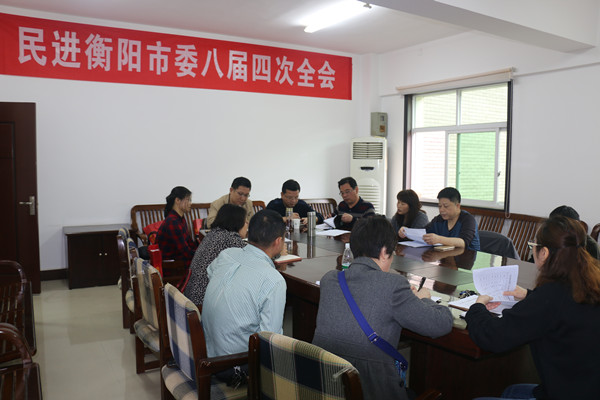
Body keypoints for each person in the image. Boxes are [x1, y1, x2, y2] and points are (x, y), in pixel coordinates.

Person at [312, 216, 453, 400]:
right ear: (385, 252)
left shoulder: (330, 279)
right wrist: (424, 299)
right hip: (373, 390)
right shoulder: (393, 284)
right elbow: (440, 324)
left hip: (326, 386)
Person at [466, 216, 600, 400]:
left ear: (544, 253)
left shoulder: (551, 294)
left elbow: (493, 337)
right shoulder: (589, 283)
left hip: (568, 392)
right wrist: (529, 296)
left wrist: (477, 307)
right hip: (585, 385)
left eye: (533, 246)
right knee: (512, 391)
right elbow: (565, 310)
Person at [202, 209, 287, 362]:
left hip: (207, 347)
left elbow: (210, 274)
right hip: (234, 363)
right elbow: (270, 341)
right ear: (278, 241)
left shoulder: (227, 254)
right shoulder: (274, 280)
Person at [183, 204, 248, 305]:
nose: (247, 224)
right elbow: (252, 257)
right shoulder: (230, 238)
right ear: (238, 222)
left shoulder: (214, 233)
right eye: (245, 221)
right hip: (202, 300)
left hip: (191, 295)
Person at [155, 186, 198, 267]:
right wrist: (201, 255)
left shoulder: (180, 218)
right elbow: (185, 251)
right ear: (177, 200)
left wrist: (200, 251)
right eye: (188, 200)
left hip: (178, 258)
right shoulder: (172, 221)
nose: (190, 203)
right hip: (171, 264)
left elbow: (189, 242)